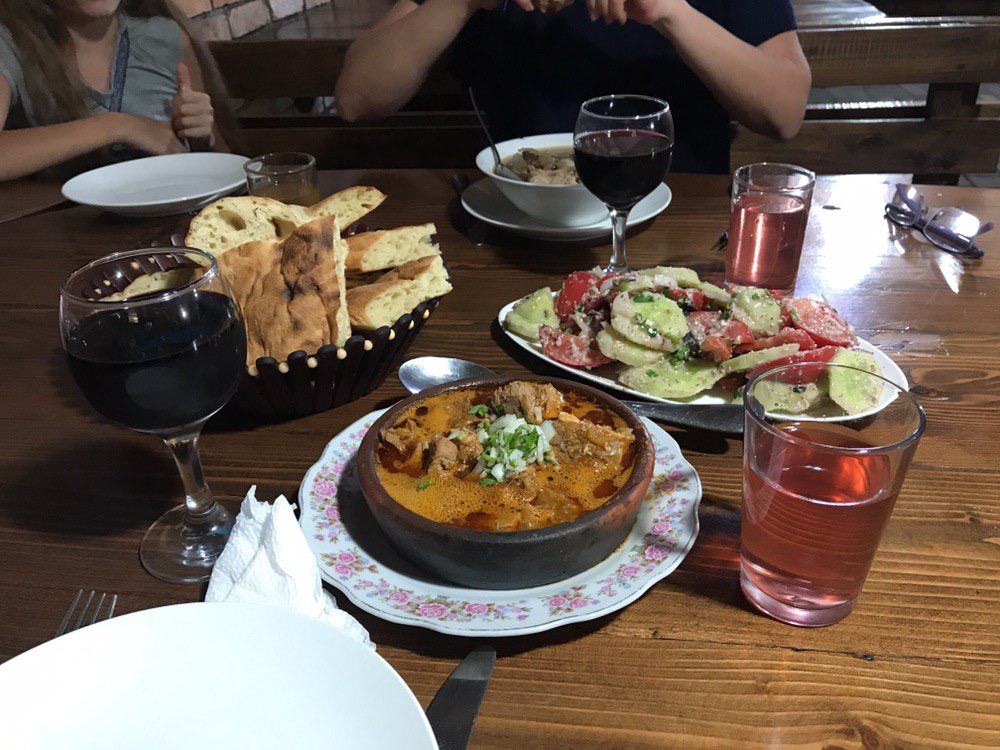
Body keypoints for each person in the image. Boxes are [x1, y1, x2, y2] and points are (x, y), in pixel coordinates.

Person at [336, 0, 811, 174]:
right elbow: (358, 98)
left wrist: (672, 12)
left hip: (678, 223)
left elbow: (784, 111)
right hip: (516, 219)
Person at [0, 0, 229, 181]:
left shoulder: (166, 37)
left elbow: (223, 164)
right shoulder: (12, 44)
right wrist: (118, 126)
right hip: (63, 227)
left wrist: (200, 136)